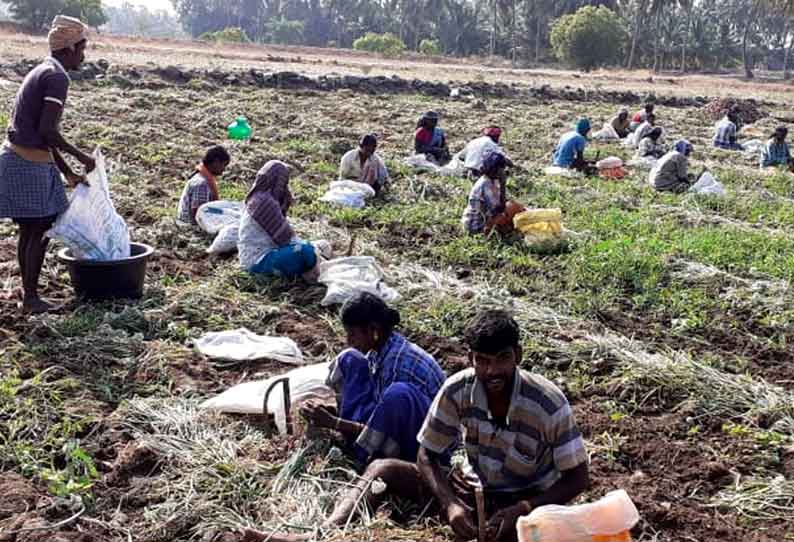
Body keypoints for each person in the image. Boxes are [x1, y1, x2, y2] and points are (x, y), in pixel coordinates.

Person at [243, 293, 446, 542]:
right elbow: (378, 408)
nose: (348, 340)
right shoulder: (380, 349)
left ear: (373, 330)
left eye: (353, 334)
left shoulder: (398, 365)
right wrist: (336, 415)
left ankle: (361, 455)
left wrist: (335, 423)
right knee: (350, 360)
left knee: (397, 394)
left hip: (422, 445)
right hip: (394, 420)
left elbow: (399, 419)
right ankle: (355, 441)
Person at [0, 15, 95, 314]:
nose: (83, 55)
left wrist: (67, 172)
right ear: (68, 49)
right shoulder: (57, 77)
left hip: (22, 157)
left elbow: (42, 135)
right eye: (82, 49)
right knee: (40, 229)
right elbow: (47, 132)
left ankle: (29, 294)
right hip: (27, 162)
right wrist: (82, 157)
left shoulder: (44, 69)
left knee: (30, 228)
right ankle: (31, 298)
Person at [237, 160, 319, 280]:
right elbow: (286, 239)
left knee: (316, 247)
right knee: (305, 252)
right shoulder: (264, 202)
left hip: (268, 252)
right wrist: (310, 249)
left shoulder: (260, 198)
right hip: (257, 261)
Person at [462, 151, 525, 236]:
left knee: (514, 207)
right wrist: (503, 184)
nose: (503, 171)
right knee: (512, 210)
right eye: (502, 169)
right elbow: (499, 209)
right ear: (496, 170)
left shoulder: (489, 180)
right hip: (476, 226)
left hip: (479, 220)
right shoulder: (486, 185)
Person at [176, 145, 230, 225]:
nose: (224, 169)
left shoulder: (204, 177)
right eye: (224, 165)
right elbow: (199, 213)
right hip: (189, 225)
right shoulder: (202, 184)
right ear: (216, 162)